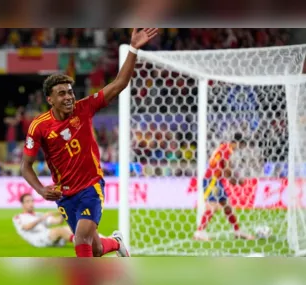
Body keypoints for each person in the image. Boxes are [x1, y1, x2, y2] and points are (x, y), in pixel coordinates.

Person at [21, 28, 159, 257]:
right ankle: (115, 243)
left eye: (70, 92)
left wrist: (133, 48)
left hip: (90, 186)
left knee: (81, 239)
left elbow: (119, 84)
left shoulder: (83, 109)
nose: (68, 97)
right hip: (64, 193)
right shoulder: (39, 126)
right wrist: (41, 190)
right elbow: (25, 166)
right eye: (61, 93)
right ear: (50, 99)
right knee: (94, 248)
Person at [193, 133, 255, 241]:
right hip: (211, 180)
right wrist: (236, 179)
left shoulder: (223, 147)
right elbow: (227, 167)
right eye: (240, 146)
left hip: (217, 180)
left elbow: (224, 167)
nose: (239, 149)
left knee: (227, 206)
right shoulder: (227, 148)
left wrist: (231, 179)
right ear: (237, 143)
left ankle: (237, 231)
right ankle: (199, 232)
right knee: (213, 206)